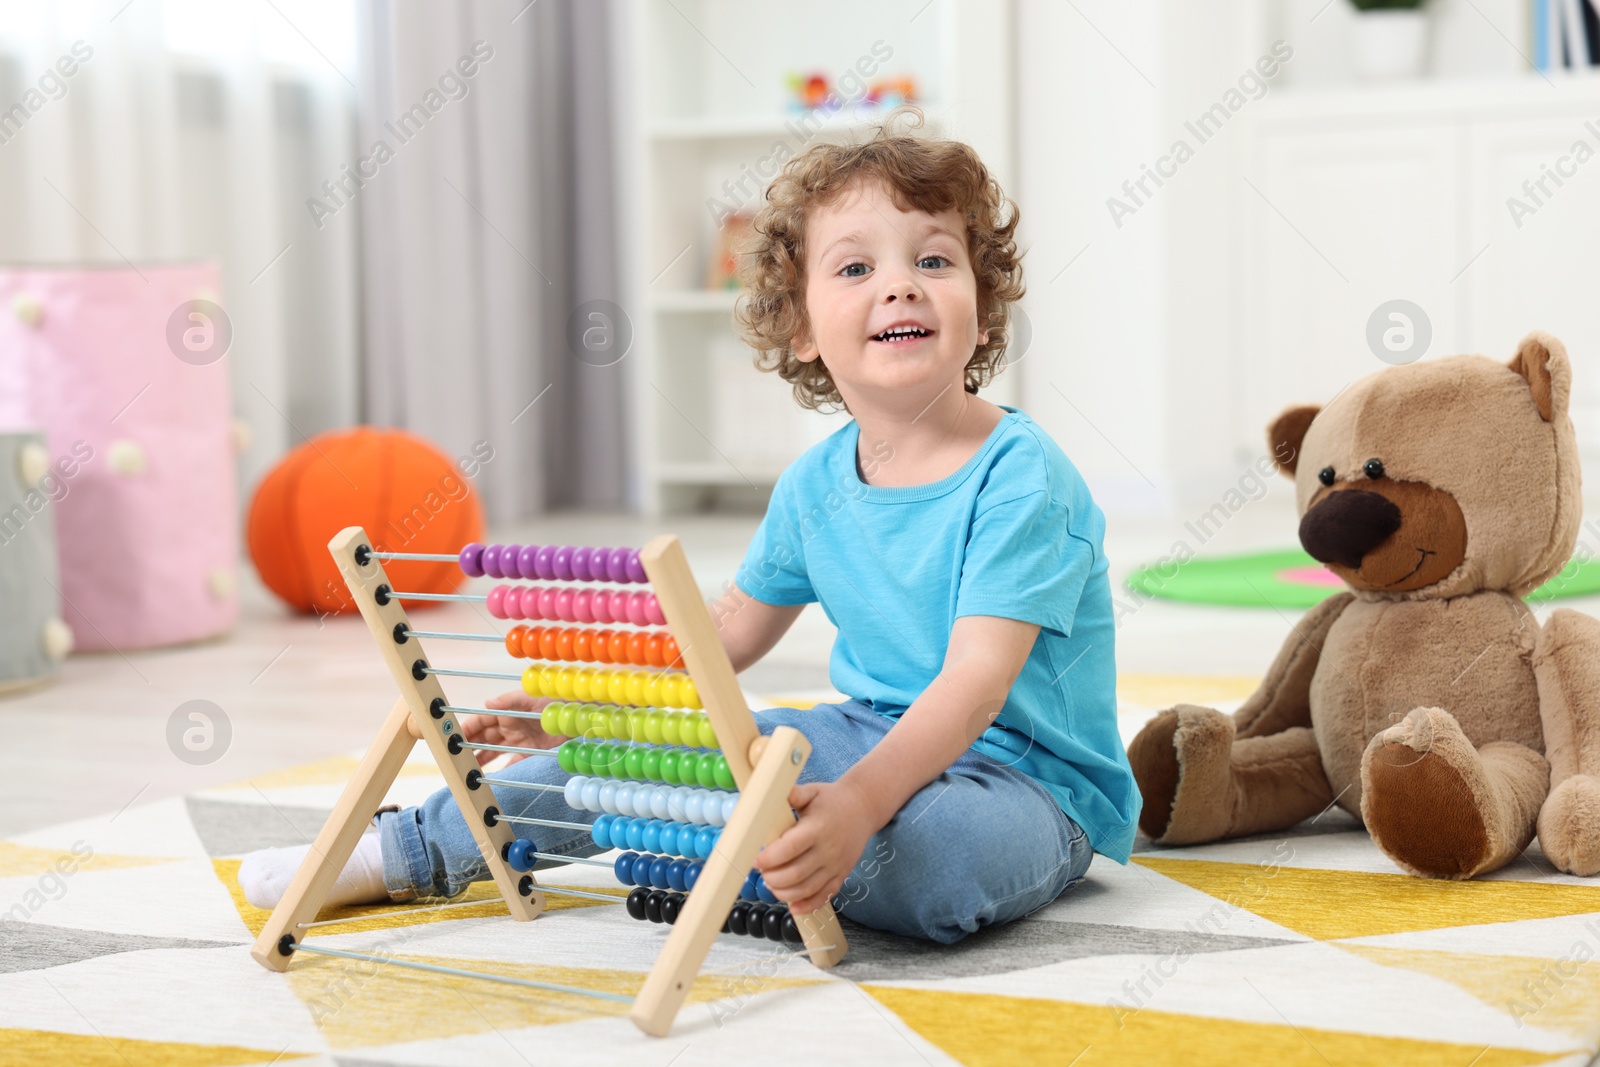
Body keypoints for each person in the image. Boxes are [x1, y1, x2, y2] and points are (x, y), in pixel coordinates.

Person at [241, 112, 1140, 944]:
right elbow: (724, 636)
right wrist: (584, 713)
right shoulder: (815, 483)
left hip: (1027, 783)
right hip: (864, 734)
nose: (901, 284)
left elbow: (976, 685)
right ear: (801, 331)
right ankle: (416, 852)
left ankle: (774, 849)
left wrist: (860, 805)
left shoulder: (1023, 477)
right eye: (857, 268)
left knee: (940, 862)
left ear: (981, 304)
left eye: (935, 262)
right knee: (656, 755)